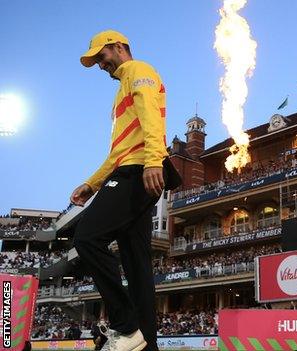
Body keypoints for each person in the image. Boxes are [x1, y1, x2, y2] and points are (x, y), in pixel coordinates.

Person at [71, 30, 168, 351]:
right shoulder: (122, 89)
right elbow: (117, 153)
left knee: (86, 238)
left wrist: (154, 159)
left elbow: (151, 115)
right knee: (138, 265)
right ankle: (145, 344)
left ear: (118, 47)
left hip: (140, 170)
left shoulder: (138, 70)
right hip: (132, 167)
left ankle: (125, 326)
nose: (100, 64)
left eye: (102, 56)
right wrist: (92, 183)